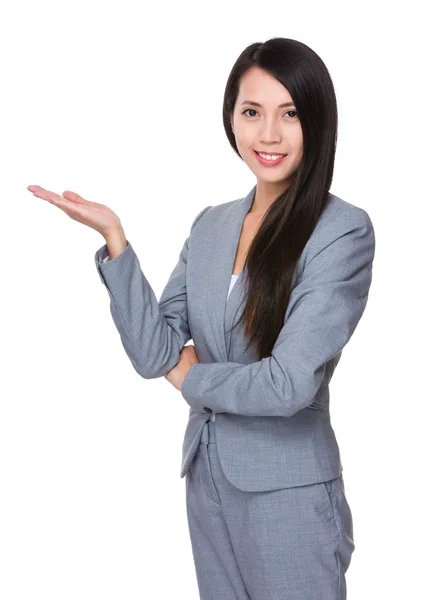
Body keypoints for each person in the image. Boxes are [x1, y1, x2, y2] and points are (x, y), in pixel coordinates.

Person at [27, 37, 375, 600]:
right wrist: (117, 242)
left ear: (317, 120)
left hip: (288, 493)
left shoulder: (341, 231)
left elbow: (288, 383)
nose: (269, 134)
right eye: (252, 112)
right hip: (207, 480)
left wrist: (191, 378)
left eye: (290, 114)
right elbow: (153, 351)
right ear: (230, 120)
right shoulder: (211, 225)